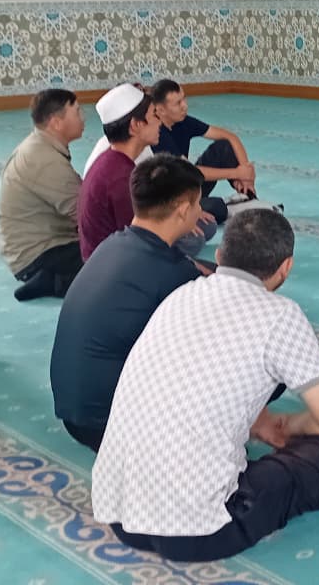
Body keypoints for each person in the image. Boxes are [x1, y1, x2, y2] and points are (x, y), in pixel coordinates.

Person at [92, 209, 319, 561]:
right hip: (201, 531)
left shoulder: (180, 295)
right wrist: (285, 425)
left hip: (120, 512)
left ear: (219, 256)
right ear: (286, 267)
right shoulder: (280, 315)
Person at [50, 155, 208, 451]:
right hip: (111, 426)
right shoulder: (174, 273)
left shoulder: (111, 244)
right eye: (198, 204)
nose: (200, 211)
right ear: (183, 209)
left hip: (74, 414)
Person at [77, 83, 214, 261]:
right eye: (154, 115)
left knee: (202, 224)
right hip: (114, 262)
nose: (159, 122)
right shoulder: (119, 178)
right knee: (194, 241)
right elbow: (141, 243)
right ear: (135, 125)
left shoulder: (116, 159)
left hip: (124, 248)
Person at [0, 89, 87, 301]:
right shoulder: (44, 160)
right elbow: (85, 214)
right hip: (37, 257)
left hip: (40, 247)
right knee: (110, 263)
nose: (83, 118)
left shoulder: (42, 146)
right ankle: (52, 281)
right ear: (56, 123)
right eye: (77, 112)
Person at [150, 78, 257, 223]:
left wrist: (246, 173)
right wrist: (237, 173)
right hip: (170, 200)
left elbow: (231, 137)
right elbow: (188, 171)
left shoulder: (183, 121)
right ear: (160, 109)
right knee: (216, 207)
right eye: (178, 103)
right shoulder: (157, 134)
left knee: (224, 146)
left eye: (184, 99)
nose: (185, 106)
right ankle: (236, 206)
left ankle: (249, 196)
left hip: (188, 186)